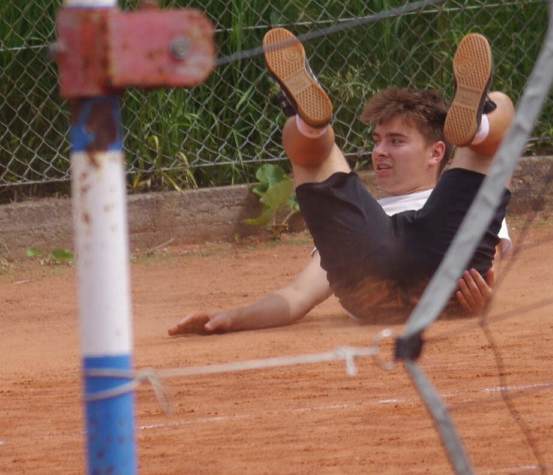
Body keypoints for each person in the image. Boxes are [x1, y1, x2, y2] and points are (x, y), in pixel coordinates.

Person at [169, 28, 513, 334]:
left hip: (372, 289)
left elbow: (299, 297)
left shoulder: (363, 218)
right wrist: (231, 318)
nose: (379, 151)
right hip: (442, 279)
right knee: (501, 111)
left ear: (437, 152)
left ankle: (308, 125)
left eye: (396, 141)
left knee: (314, 159)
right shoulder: (372, 215)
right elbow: (487, 268)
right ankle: (481, 123)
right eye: (377, 141)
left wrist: (486, 298)